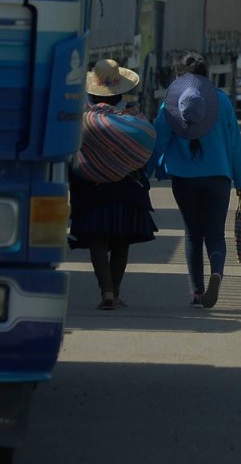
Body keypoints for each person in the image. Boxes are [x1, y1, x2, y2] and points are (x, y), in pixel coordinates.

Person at [147, 52, 241, 309]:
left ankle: (196, 291)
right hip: (219, 178)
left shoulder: (169, 105)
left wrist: (145, 173)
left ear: (178, 76)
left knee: (193, 234)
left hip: (184, 180)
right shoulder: (223, 102)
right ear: (207, 75)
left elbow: (159, 143)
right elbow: (235, 145)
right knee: (215, 234)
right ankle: (217, 271)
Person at [68, 59, 159, 311]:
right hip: (126, 188)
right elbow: (147, 144)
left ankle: (106, 291)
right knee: (121, 242)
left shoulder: (83, 119)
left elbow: (71, 151)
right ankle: (115, 293)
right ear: (120, 90)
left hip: (92, 189)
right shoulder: (134, 119)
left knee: (98, 240)